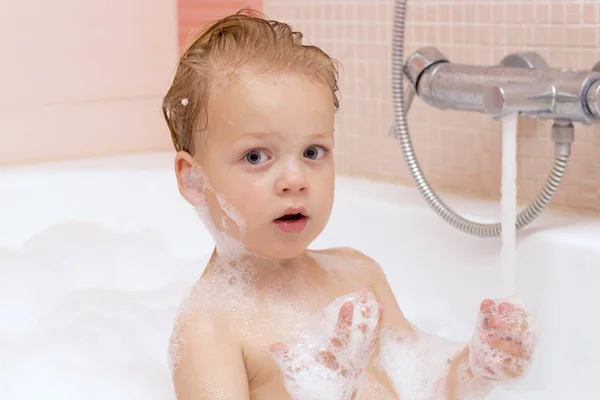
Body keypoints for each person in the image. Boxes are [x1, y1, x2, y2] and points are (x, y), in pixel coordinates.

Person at [161, 9, 535, 399]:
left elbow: (428, 386)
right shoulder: (209, 329)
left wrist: (476, 368)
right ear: (194, 180)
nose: (295, 179)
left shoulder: (358, 274)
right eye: (256, 156)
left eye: (312, 151)